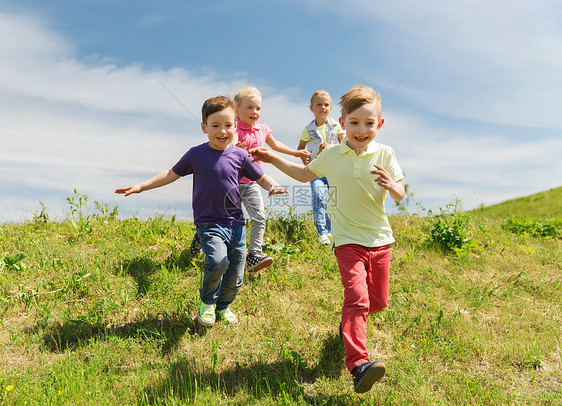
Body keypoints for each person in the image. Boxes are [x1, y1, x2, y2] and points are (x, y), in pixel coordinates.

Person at [249, 85, 405, 393]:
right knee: (357, 298)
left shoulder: (386, 153)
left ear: (380, 125)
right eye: (355, 123)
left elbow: (400, 191)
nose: (362, 130)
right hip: (347, 241)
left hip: (380, 240)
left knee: (378, 302)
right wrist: (271, 157)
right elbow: (304, 174)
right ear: (342, 123)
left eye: (369, 123)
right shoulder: (332, 154)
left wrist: (392, 185)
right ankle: (359, 365)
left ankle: (350, 323)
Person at [115, 96, 287, 327]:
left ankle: (223, 307)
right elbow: (171, 173)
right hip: (209, 222)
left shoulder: (240, 155)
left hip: (236, 224)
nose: (222, 131)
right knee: (218, 262)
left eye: (227, 125)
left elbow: (261, 176)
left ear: (235, 126)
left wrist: (272, 186)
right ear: (204, 127)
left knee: (236, 277)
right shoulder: (196, 155)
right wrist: (141, 186)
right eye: (215, 126)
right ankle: (207, 303)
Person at [193, 86, 312, 272]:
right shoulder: (232, 128)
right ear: (236, 110)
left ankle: (254, 255)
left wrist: (295, 152)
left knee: (259, 217)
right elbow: (225, 146)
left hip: (253, 182)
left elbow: (276, 145)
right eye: (249, 108)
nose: (254, 112)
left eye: (258, 108)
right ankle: (202, 236)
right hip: (230, 184)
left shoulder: (262, 129)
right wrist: (235, 147)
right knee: (221, 219)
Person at [297, 90, 345, 244]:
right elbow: (300, 150)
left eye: (326, 104)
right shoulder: (308, 130)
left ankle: (332, 230)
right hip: (316, 169)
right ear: (312, 108)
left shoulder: (336, 126)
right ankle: (322, 232)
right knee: (318, 196)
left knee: (333, 199)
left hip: (334, 168)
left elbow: (345, 144)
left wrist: (330, 146)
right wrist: (307, 159)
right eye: (319, 104)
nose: (322, 107)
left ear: (331, 108)